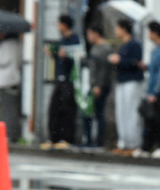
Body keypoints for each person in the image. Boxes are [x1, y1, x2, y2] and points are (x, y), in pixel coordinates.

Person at [108, 18, 144, 155]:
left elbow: (137, 62)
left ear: (124, 29)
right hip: (121, 80)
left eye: (117, 28)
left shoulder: (134, 44)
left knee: (131, 112)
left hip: (132, 81)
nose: (115, 31)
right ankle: (124, 142)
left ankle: (133, 143)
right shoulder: (123, 45)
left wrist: (120, 60)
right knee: (121, 112)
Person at [137, 20, 160, 159]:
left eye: (150, 32)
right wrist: (147, 67)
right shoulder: (156, 50)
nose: (148, 35)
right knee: (150, 119)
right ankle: (147, 146)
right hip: (153, 91)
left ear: (155, 33)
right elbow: (155, 70)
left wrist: (155, 92)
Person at [45, 14, 81, 148]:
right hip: (59, 79)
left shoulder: (75, 39)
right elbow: (58, 56)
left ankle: (67, 138)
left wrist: (68, 54)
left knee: (68, 109)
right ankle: (54, 138)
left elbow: (79, 56)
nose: (58, 27)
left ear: (65, 25)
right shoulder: (61, 40)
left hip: (69, 80)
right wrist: (52, 53)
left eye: (59, 24)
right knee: (54, 108)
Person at [83, 24, 112, 149]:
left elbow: (104, 70)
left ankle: (98, 141)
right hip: (93, 84)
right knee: (88, 112)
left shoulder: (105, 48)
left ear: (96, 33)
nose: (88, 37)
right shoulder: (95, 47)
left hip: (100, 85)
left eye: (89, 33)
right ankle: (88, 139)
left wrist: (98, 85)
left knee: (98, 113)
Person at [0, 32, 22, 143]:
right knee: (13, 109)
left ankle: (9, 134)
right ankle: (14, 133)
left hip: (5, 80)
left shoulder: (4, 45)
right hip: (15, 78)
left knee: (7, 109)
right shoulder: (18, 44)